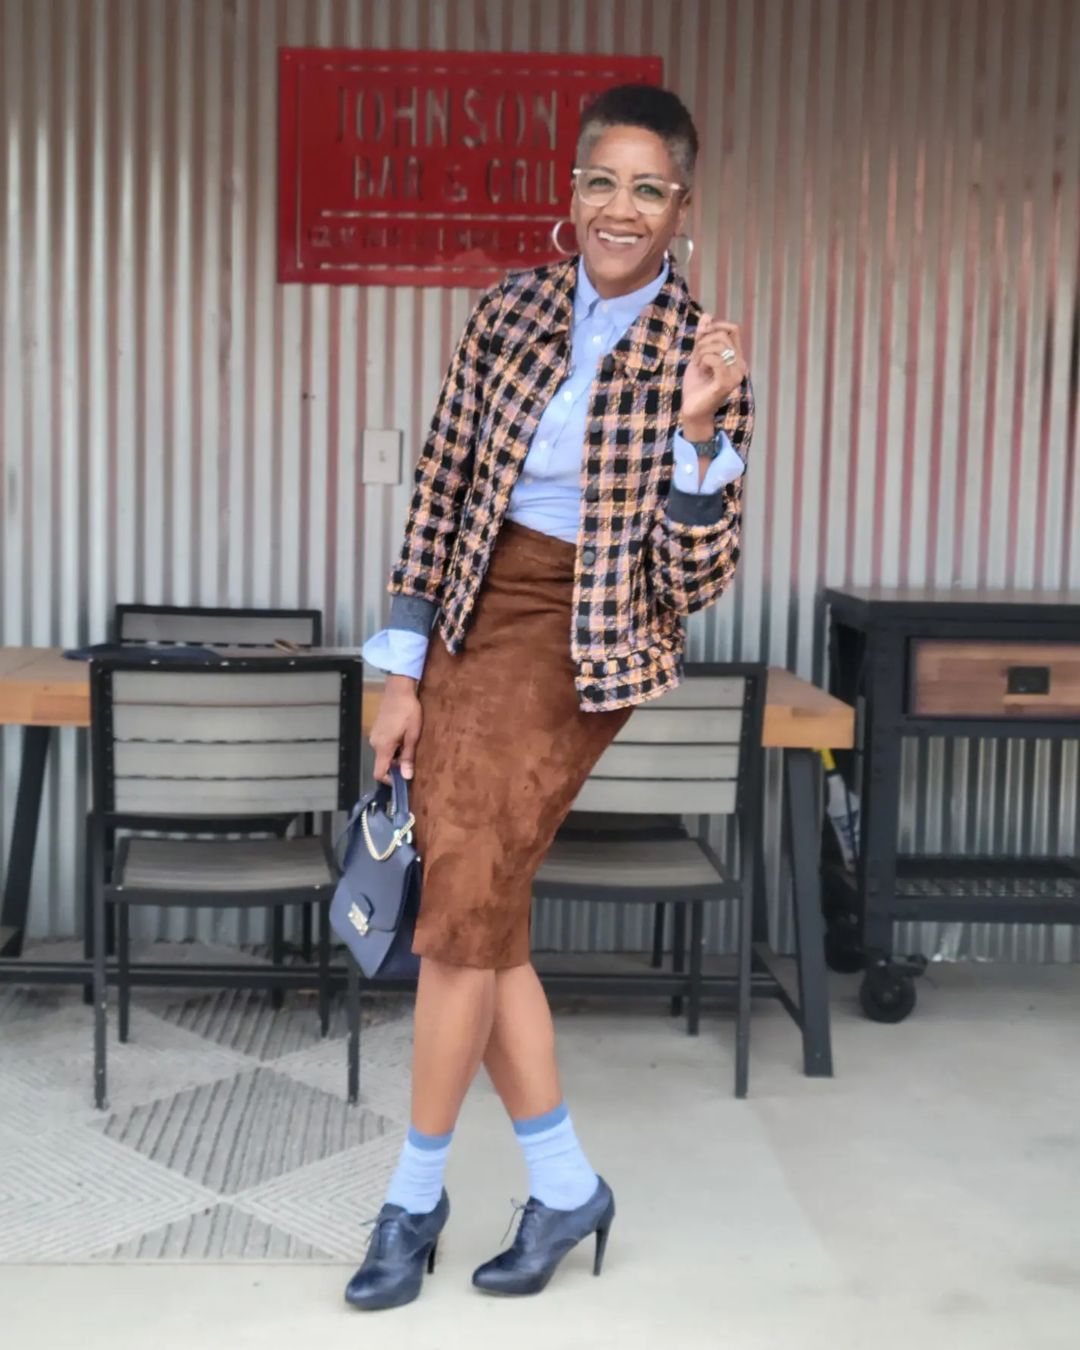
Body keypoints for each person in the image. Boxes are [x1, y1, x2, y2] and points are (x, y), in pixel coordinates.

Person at [346, 82, 754, 1311]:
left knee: (458, 915)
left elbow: (695, 580)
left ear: (682, 207)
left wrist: (697, 438)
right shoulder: (510, 309)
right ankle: (565, 1185)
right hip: (471, 617)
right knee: (487, 914)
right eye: (601, 182)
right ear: (569, 191)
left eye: (648, 189)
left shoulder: (702, 354)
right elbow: (440, 489)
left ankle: (411, 1202)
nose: (620, 209)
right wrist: (400, 669)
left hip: (583, 639)